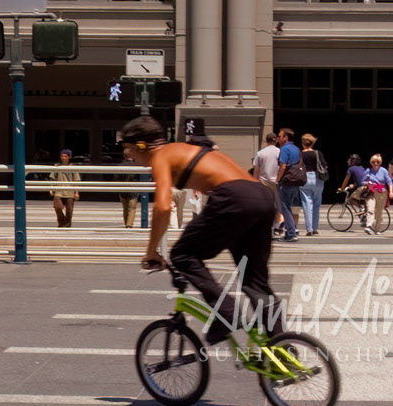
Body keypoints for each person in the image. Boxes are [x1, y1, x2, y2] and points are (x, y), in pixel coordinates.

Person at [120, 115, 285, 349]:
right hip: (261, 198)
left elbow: (164, 206)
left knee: (182, 255)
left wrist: (151, 252)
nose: (130, 158)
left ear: (141, 145)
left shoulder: (161, 156)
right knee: (255, 282)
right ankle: (283, 348)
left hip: (233, 198)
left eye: (129, 151)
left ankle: (226, 312)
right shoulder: (184, 148)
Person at [250, 134, 285, 234]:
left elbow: (256, 170)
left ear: (266, 141)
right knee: (278, 205)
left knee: (265, 204)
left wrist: (254, 183)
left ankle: (265, 224)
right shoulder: (280, 152)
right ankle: (277, 225)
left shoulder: (260, 153)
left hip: (263, 181)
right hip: (277, 181)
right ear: (276, 141)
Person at [275, 127, 303, 242]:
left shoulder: (285, 149)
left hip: (286, 181)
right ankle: (292, 229)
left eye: (280, 136)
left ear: (285, 137)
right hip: (295, 181)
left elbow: (283, 166)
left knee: (284, 207)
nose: (278, 138)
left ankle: (291, 233)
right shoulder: (297, 149)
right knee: (288, 206)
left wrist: (277, 180)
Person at [299, 133, 328, 235]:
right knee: (316, 203)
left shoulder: (300, 154)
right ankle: (315, 228)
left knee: (307, 204)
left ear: (303, 143)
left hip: (304, 178)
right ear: (312, 143)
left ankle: (309, 229)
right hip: (317, 178)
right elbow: (324, 165)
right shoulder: (317, 153)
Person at [361, 154, 392, 234]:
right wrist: (367, 183)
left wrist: (391, 191)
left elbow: (389, 181)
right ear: (371, 162)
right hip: (371, 192)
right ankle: (368, 226)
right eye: (373, 162)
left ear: (380, 162)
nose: (375, 163)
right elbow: (362, 181)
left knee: (379, 212)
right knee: (370, 208)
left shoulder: (384, 171)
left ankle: (377, 229)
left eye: (377, 162)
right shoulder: (368, 171)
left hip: (382, 192)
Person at [50, 148, 80, 228]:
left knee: (69, 211)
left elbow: (76, 180)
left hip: (70, 191)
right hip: (58, 190)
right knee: (57, 207)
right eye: (62, 156)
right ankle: (61, 222)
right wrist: (51, 188)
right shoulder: (56, 166)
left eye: (65, 156)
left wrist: (76, 192)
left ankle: (67, 225)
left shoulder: (73, 167)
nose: (63, 158)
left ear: (69, 157)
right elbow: (52, 178)